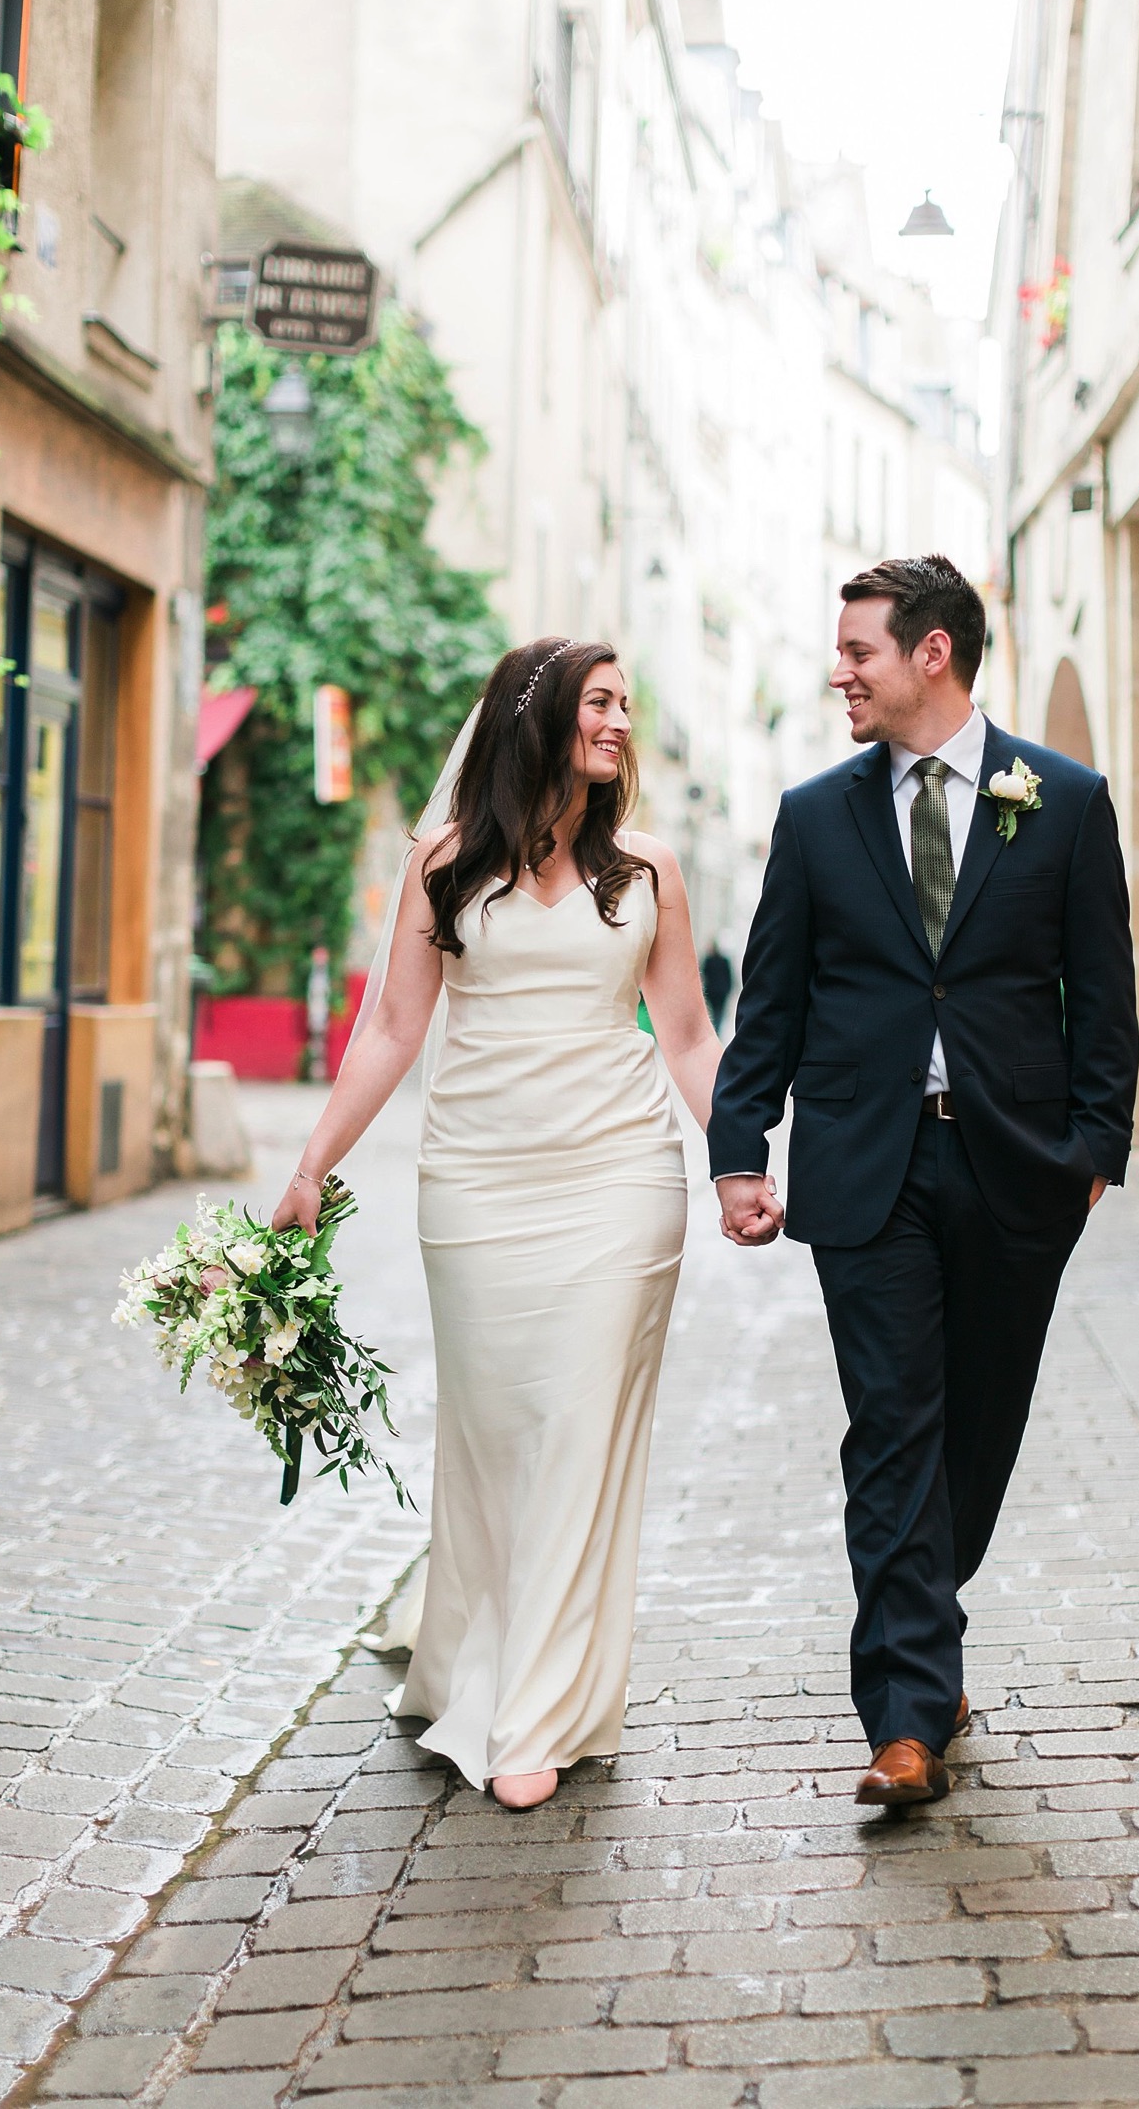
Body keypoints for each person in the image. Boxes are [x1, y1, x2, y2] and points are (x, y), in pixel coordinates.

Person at [708, 554, 1136, 1807]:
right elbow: (771, 1000)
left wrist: (1093, 1155)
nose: (837, 671)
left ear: (931, 654)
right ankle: (902, 1717)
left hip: (1016, 1167)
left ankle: (925, 1644)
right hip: (864, 1168)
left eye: (858, 651)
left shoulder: (1060, 800)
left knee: (979, 1427)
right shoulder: (813, 815)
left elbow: (1102, 999)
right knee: (892, 1430)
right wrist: (742, 1151)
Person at [274, 638, 721, 1812]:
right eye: (600, 703)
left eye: (628, 702)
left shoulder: (650, 874)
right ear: (537, 721)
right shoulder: (443, 866)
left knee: (577, 1428)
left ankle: (533, 1709)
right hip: (474, 1185)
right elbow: (388, 1032)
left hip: (623, 1180)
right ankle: (470, 1646)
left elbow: (684, 1037)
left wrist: (742, 1164)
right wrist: (313, 1164)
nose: (622, 722)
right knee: (494, 1434)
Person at [701, 942, 734, 1032]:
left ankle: (714, 1029)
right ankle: (716, 1030)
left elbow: (704, 975)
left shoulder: (708, 961)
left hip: (712, 991)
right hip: (721, 992)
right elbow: (729, 977)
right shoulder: (724, 961)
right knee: (719, 1012)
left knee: (713, 1012)